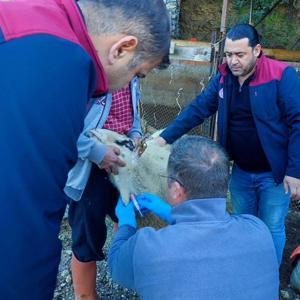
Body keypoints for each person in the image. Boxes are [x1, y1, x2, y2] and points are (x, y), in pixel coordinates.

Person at [0, 0, 170, 299]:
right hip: (91, 168)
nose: (130, 83)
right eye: (138, 74)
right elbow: (25, 219)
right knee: (83, 235)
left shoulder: (37, 19)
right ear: (121, 49)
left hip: (116, 157)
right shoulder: (60, 62)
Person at [156, 23, 300, 265]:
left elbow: (298, 122)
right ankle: (244, 272)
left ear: (257, 50)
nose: (233, 61)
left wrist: (294, 172)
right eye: (229, 54)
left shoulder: (280, 75)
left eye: (240, 55)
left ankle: (266, 278)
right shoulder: (224, 78)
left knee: (272, 227)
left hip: (274, 175)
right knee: (243, 225)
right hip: (241, 171)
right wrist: (165, 137)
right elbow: (199, 108)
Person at [108, 136, 279, 300]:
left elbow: (116, 267)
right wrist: (169, 213)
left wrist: (126, 224)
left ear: (176, 189)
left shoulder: (148, 247)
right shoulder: (259, 230)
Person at [64, 78, 142, 300]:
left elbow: (131, 116)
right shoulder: (86, 75)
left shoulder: (132, 75)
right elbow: (61, 128)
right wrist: (96, 152)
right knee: (87, 238)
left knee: (124, 216)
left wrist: (135, 134)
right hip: (88, 171)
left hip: (122, 162)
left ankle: (122, 267)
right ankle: (85, 295)